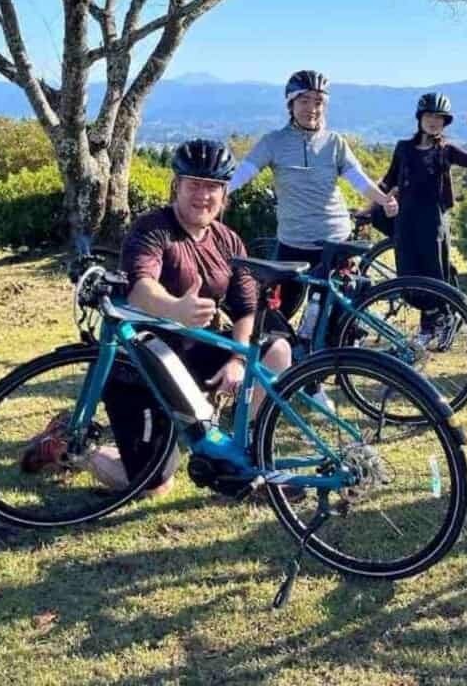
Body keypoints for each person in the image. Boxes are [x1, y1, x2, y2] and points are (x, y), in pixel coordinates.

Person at [22, 139, 291, 496]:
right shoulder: (152, 228)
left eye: (213, 187)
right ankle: (68, 446)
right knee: (153, 487)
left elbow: (246, 309)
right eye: (194, 184)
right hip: (143, 366)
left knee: (277, 351)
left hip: (197, 357)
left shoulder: (227, 240)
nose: (203, 195)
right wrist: (175, 308)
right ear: (176, 186)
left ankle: (253, 463)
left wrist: (239, 359)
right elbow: (140, 287)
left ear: (224, 193)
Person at [229, 69, 398, 315]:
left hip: (334, 240)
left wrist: (383, 200)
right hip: (293, 240)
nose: (312, 108)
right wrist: (215, 196)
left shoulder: (334, 142)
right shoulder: (273, 142)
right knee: (278, 315)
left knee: (333, 318)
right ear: (291, 104)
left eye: (318, 102)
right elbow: (243, 173)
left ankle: (338, 349)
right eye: (304, 100)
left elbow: (358, 179)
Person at [379, 92, 467, 341]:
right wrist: (370, 204)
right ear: (420, 118)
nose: (433, 121)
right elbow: (389, 180)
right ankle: (431, 320)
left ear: (445, 122)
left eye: (439, 117)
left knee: (434, 271)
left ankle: (440, 320)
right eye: (429, 116)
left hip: (433, 218)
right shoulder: (403, 148)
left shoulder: (445, 150)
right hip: (406, 218)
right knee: (409, 271)